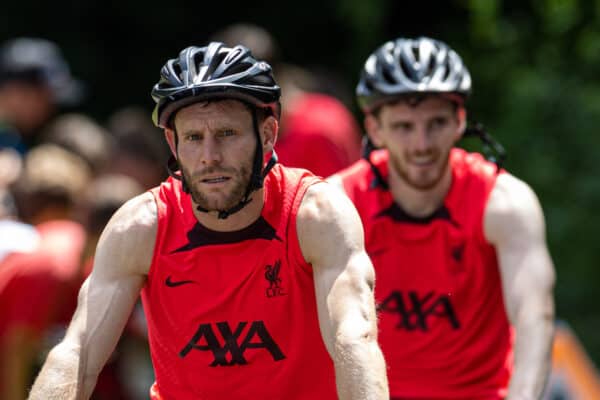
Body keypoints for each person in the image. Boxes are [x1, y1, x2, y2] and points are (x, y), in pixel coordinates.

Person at [29, 42, 388, 399]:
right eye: (194, 138)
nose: (209, 157)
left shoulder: (316, 214)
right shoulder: (140, 227)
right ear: (172, 143)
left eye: (227, 134)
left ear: (267, 134)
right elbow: (76, 355)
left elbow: (354, 339)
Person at [329, 36, 556, 399]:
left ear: (460, 121)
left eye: (436, 123)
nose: (421, 144)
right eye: (404, 127)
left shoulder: (504, 202)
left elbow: (534, 319)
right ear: (375, 129)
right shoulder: (340, 203)